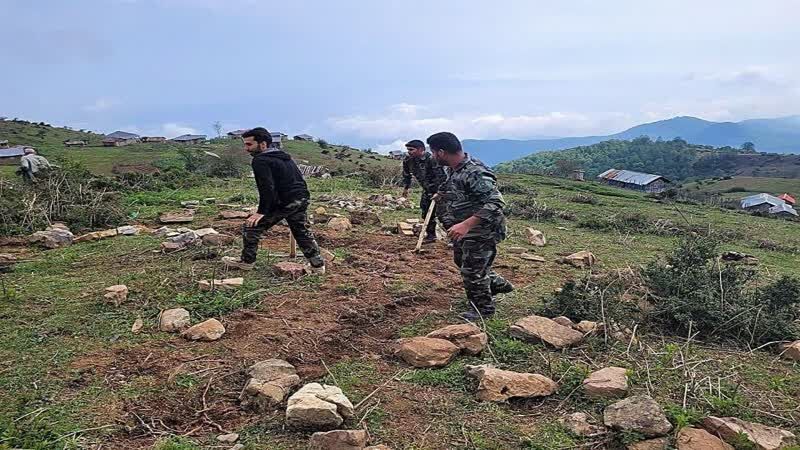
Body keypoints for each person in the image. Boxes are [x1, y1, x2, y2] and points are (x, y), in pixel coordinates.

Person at [427, 131, 513, 320]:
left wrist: (466, 224)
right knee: (461, 261)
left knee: (472, 271)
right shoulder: (453, 167)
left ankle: (483, 311)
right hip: (463, 230)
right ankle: (497, 284)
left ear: (441, 152)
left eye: (433, 152)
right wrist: (441, 194)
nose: (432, 156)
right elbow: (453, 186)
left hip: (482, 230)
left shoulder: (475, 172)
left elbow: (496, 203)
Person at [222, 127, 326, 274]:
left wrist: (261, 212)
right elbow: (298, 180)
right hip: (301, 197)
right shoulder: (284, 156)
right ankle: (317, 266)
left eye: (249, 144)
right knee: (301, 231)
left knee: (252, 226)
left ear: (263, 144)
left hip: (285, 201)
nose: (246, 148)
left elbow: (267, 188)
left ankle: (246, 262)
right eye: (245, 144)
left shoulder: (260, 160)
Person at [401, 140, 447, 243]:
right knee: (426, 211)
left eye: (411, 150)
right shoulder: (408, 160)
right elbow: (406, 174)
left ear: (421, 149)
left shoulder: (432, 159)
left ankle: (454, 238)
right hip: (427, 190)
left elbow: (441, 176)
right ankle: (431, 235)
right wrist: (406, 188)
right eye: (408, 150)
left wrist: (439, 192)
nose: (409, 152)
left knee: (445, 214)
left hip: (441, 190)